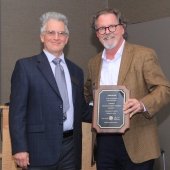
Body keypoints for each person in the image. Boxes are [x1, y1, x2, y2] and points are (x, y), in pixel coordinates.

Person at [84, 8, 170, 170]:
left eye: (112, 26)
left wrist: (141, 104)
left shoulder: (143, 55)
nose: (107, 32)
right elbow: (88, 94)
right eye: (101, 28)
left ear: (122, 27)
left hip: (138, 142)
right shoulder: (93, 63)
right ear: (97, 34)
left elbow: (164, 89)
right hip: (104, 144)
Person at [9, 11, 90, 170]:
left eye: (61, 33)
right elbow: (17, 112)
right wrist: (19, 148)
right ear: (42, 37)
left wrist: (110, 111)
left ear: (67, 39)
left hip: (71, 149)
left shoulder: (76, 71)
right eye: (51, 32)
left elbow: (81, 108)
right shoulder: (25, 67)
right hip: (38, 150)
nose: (56, 37)